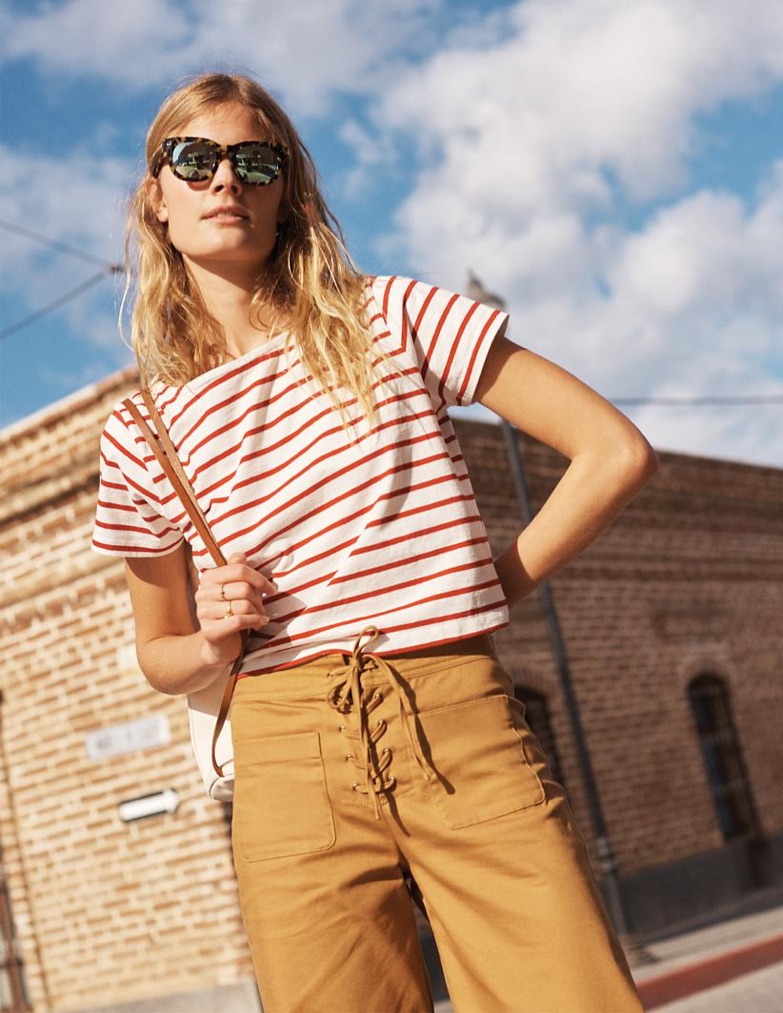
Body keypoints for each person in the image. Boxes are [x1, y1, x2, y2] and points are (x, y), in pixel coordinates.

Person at [93, 71, 657, 1012]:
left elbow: (612, 450)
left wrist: (490, 581)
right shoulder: (141, 429)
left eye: (254, 161)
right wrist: (210, 638)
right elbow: (159, 652)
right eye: (194, 161)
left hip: (456, 715)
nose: (224, 180)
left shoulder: (392, 317)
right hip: (285, 749)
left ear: (289, 195)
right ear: (156, 196)